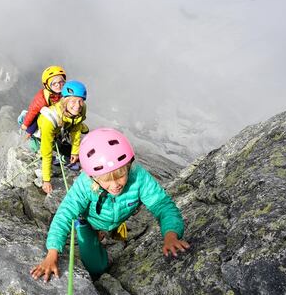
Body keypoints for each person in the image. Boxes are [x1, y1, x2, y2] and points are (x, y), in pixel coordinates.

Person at [30, 128, 190, 281]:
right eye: (106, 180)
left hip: (117, 218)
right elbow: (64, 214)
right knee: (96, 268)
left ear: (128, 166)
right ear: (93, 177)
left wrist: (170, 235)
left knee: (112, 229)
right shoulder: (85, 185)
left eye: (121, 175)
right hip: (89, 223)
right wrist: (52, 254)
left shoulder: (138, 177)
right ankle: (93, 231)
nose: (115, 185)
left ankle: (110, 230)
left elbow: (162, 205)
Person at [37, 80, 88, 195]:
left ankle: (65, 154)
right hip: (48, 130)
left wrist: (75, 152)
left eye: (80, 101)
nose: (77, 106)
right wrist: (46, 180)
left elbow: (76, 128)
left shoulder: (82, 109)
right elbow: (47, 152)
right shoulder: (48, 120)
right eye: (73, 101)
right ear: (65, 100)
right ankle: (37, 145)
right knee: (51, 149)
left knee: (73, 150)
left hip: (63, 127)